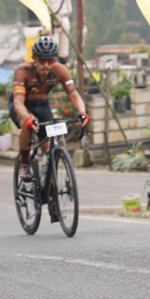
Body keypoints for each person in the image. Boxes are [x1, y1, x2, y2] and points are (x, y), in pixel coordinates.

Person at [12, 36, 89, 217]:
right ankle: (25, 162)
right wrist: (27, 118)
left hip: (42, 106)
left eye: (50, 60)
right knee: (26, 123)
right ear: (34, 59)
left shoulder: (60, 70)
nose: (46, 65)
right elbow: (18, 102)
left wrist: (82, 112)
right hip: (23, 106)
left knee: (50, 153)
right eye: (42, 61)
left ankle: (53, 201)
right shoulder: (23, 71)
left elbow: (73, 94)